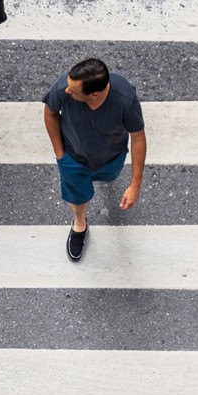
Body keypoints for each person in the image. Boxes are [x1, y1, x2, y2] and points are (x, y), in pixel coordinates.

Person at [41, 57, 147, 262]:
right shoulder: (64, 87)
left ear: (94, 95)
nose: (67, 90)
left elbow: (138, 138)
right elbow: (50, 112)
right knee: (78, 197)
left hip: (111, 157)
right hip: (73, 159)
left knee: (109, 178)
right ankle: (79, 224)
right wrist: (60, 154)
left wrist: (135, 185)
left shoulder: (125, 98)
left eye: (73, 90)